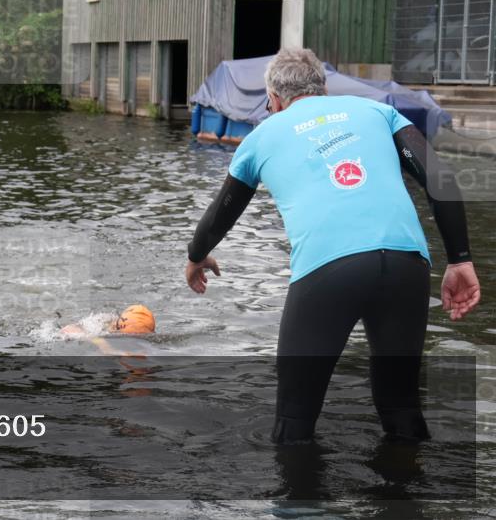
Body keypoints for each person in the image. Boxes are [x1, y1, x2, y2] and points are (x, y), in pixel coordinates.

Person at [185, 47, 480, 445]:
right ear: (323, 89)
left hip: (328, 269)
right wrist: (460, 259)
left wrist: (195, 256)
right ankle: (407, 498)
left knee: (294, 421)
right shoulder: (376, 112)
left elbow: (219, 215)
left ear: (273, 99)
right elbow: (440, 179)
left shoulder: (260, 137)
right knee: (401, 408)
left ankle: (299, 504)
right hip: (406, 264)